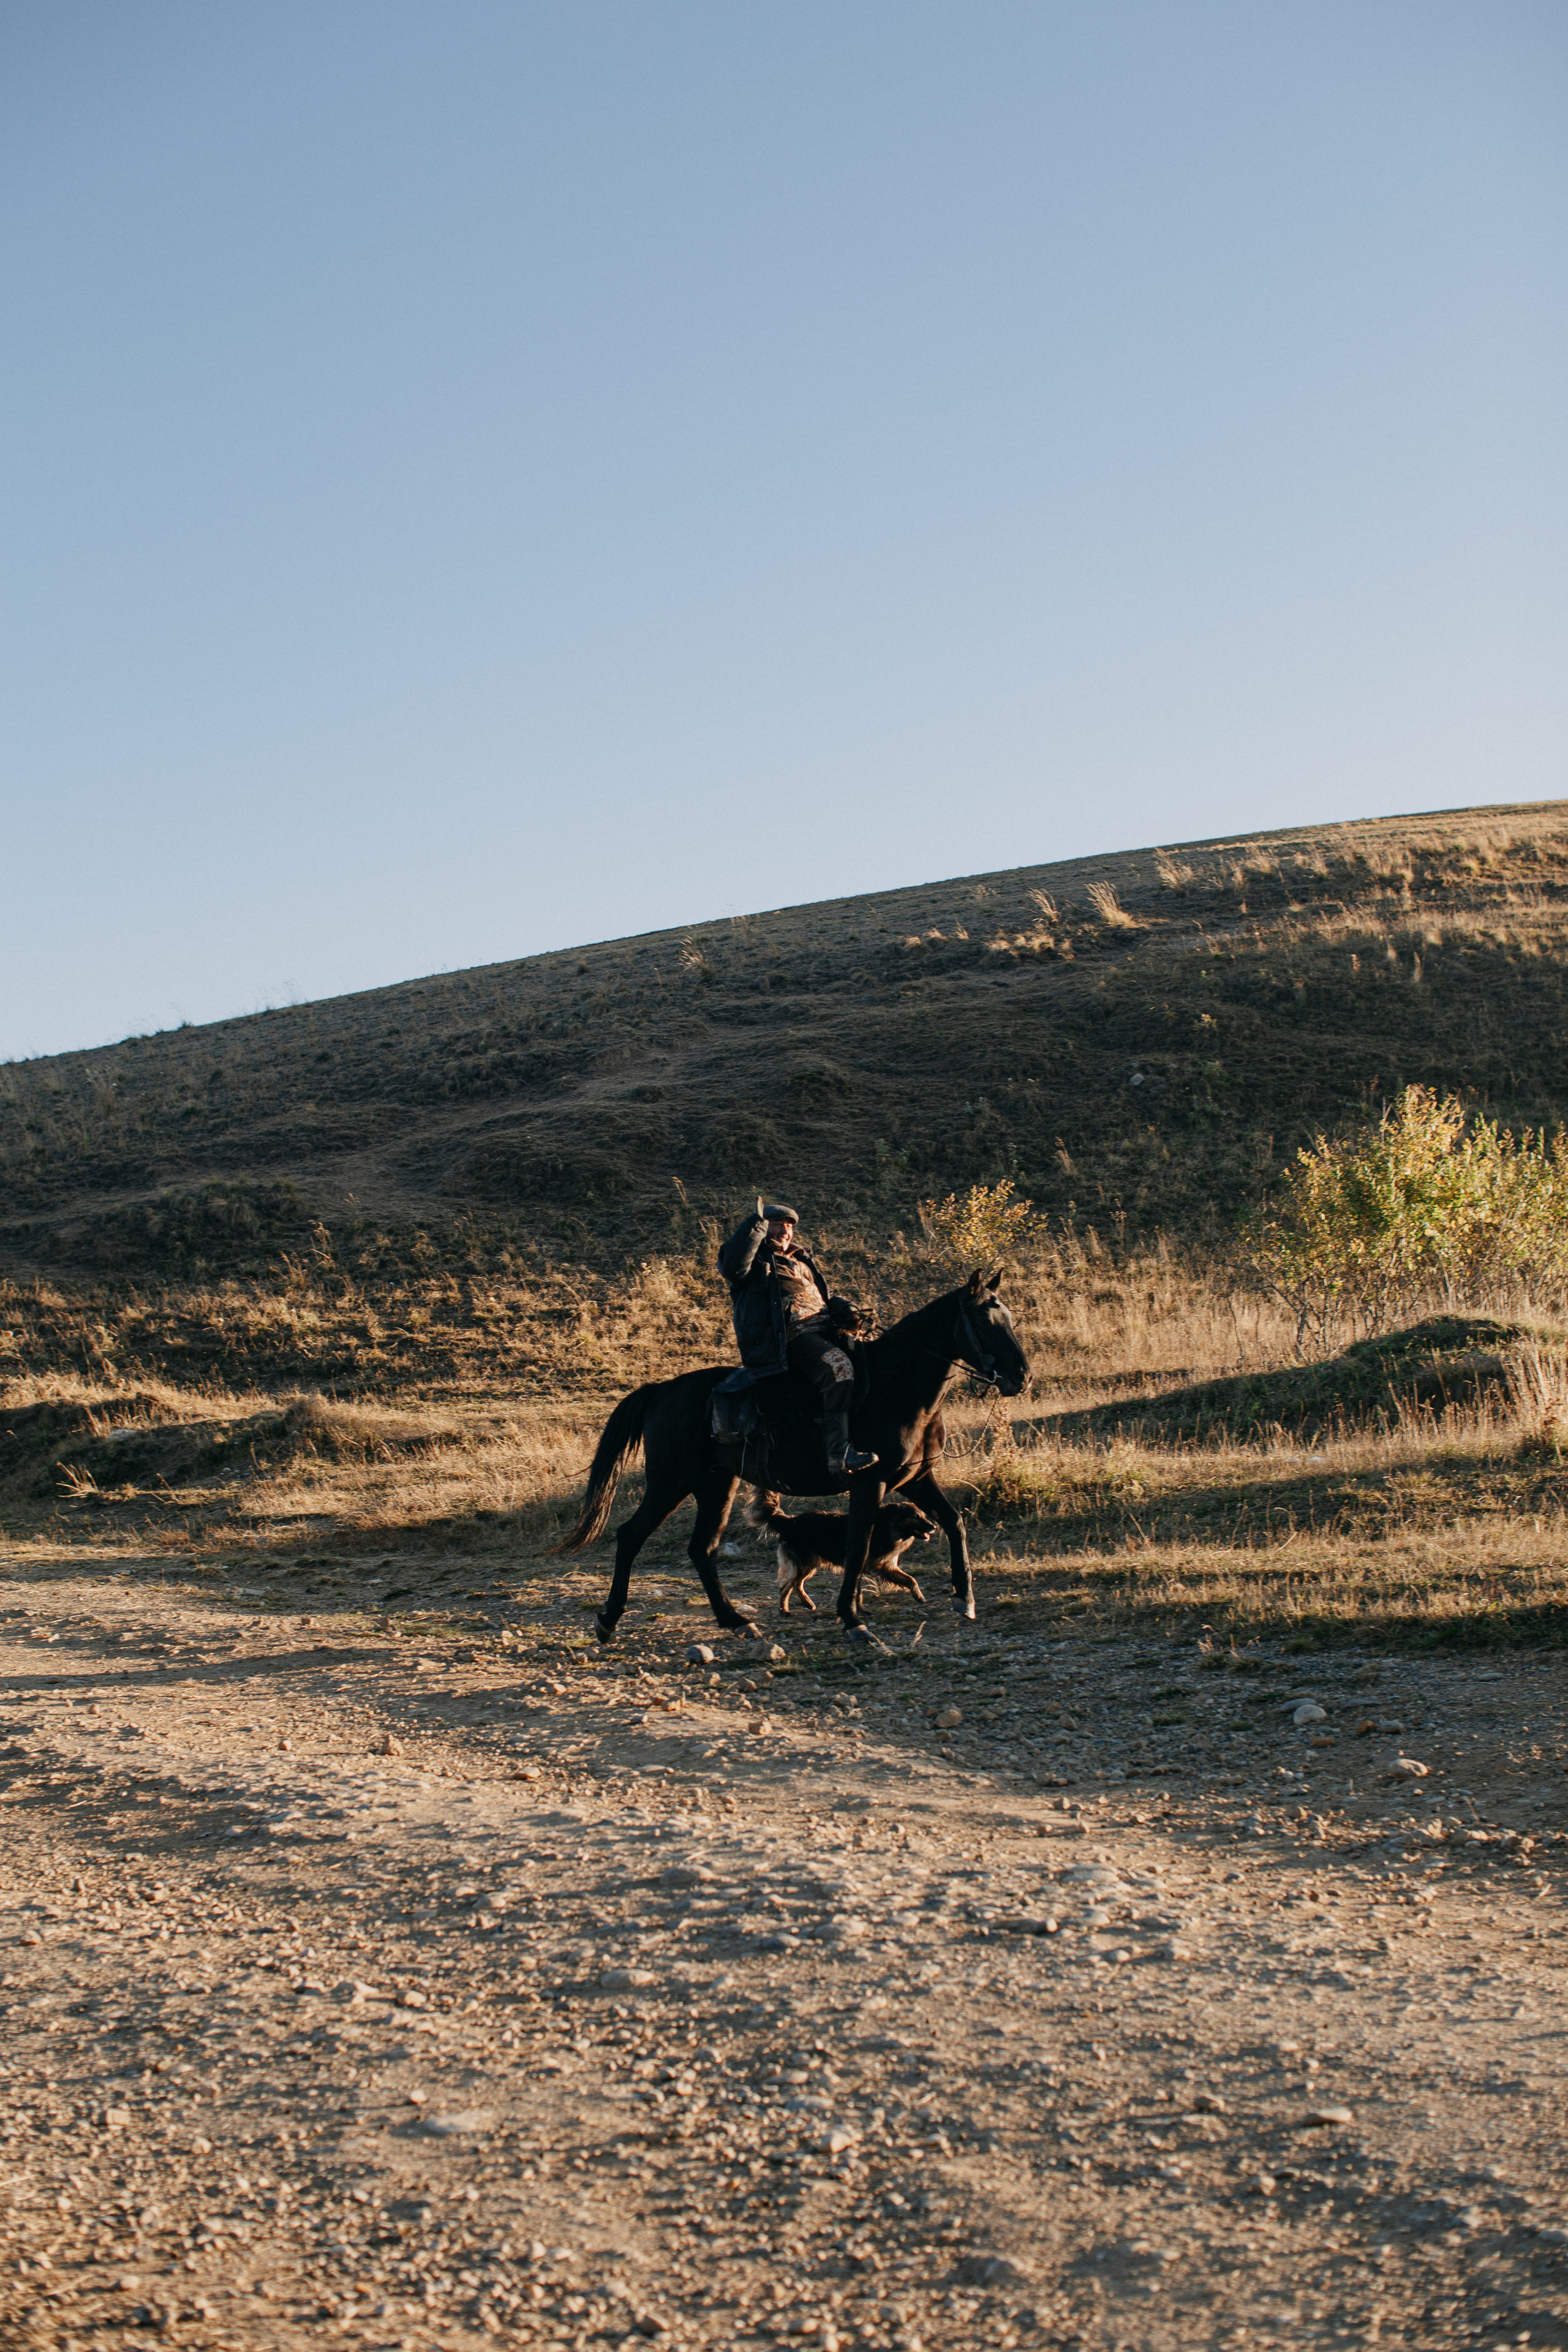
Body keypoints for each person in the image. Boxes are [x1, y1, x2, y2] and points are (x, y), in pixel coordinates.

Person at [717, 1199, 878, 1474]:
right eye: (778, 1224)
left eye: (789, 1226)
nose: (785, 1230)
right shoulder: (753, 1262)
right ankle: (838, 1453)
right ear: (763, 1228)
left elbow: (824, 1298)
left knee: (876, 1358)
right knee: (839, 1368)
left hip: (826, 1330)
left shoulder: (800, 1259)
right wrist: (754, 1225)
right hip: (792, 1338)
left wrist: (846, 1308)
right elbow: (733, 1266)